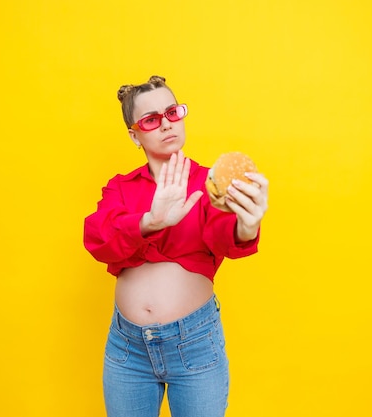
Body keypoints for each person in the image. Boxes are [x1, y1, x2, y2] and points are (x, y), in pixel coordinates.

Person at [83, 75, 269, 417]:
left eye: (172, 112)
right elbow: (97, 239)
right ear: (134, 135)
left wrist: (248, 224)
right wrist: (150, 221)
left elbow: (224, 234)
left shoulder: (211, 182)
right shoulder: (121, 189)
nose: (166, 124)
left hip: (195, 346)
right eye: (151, 119)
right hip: (128, 349)